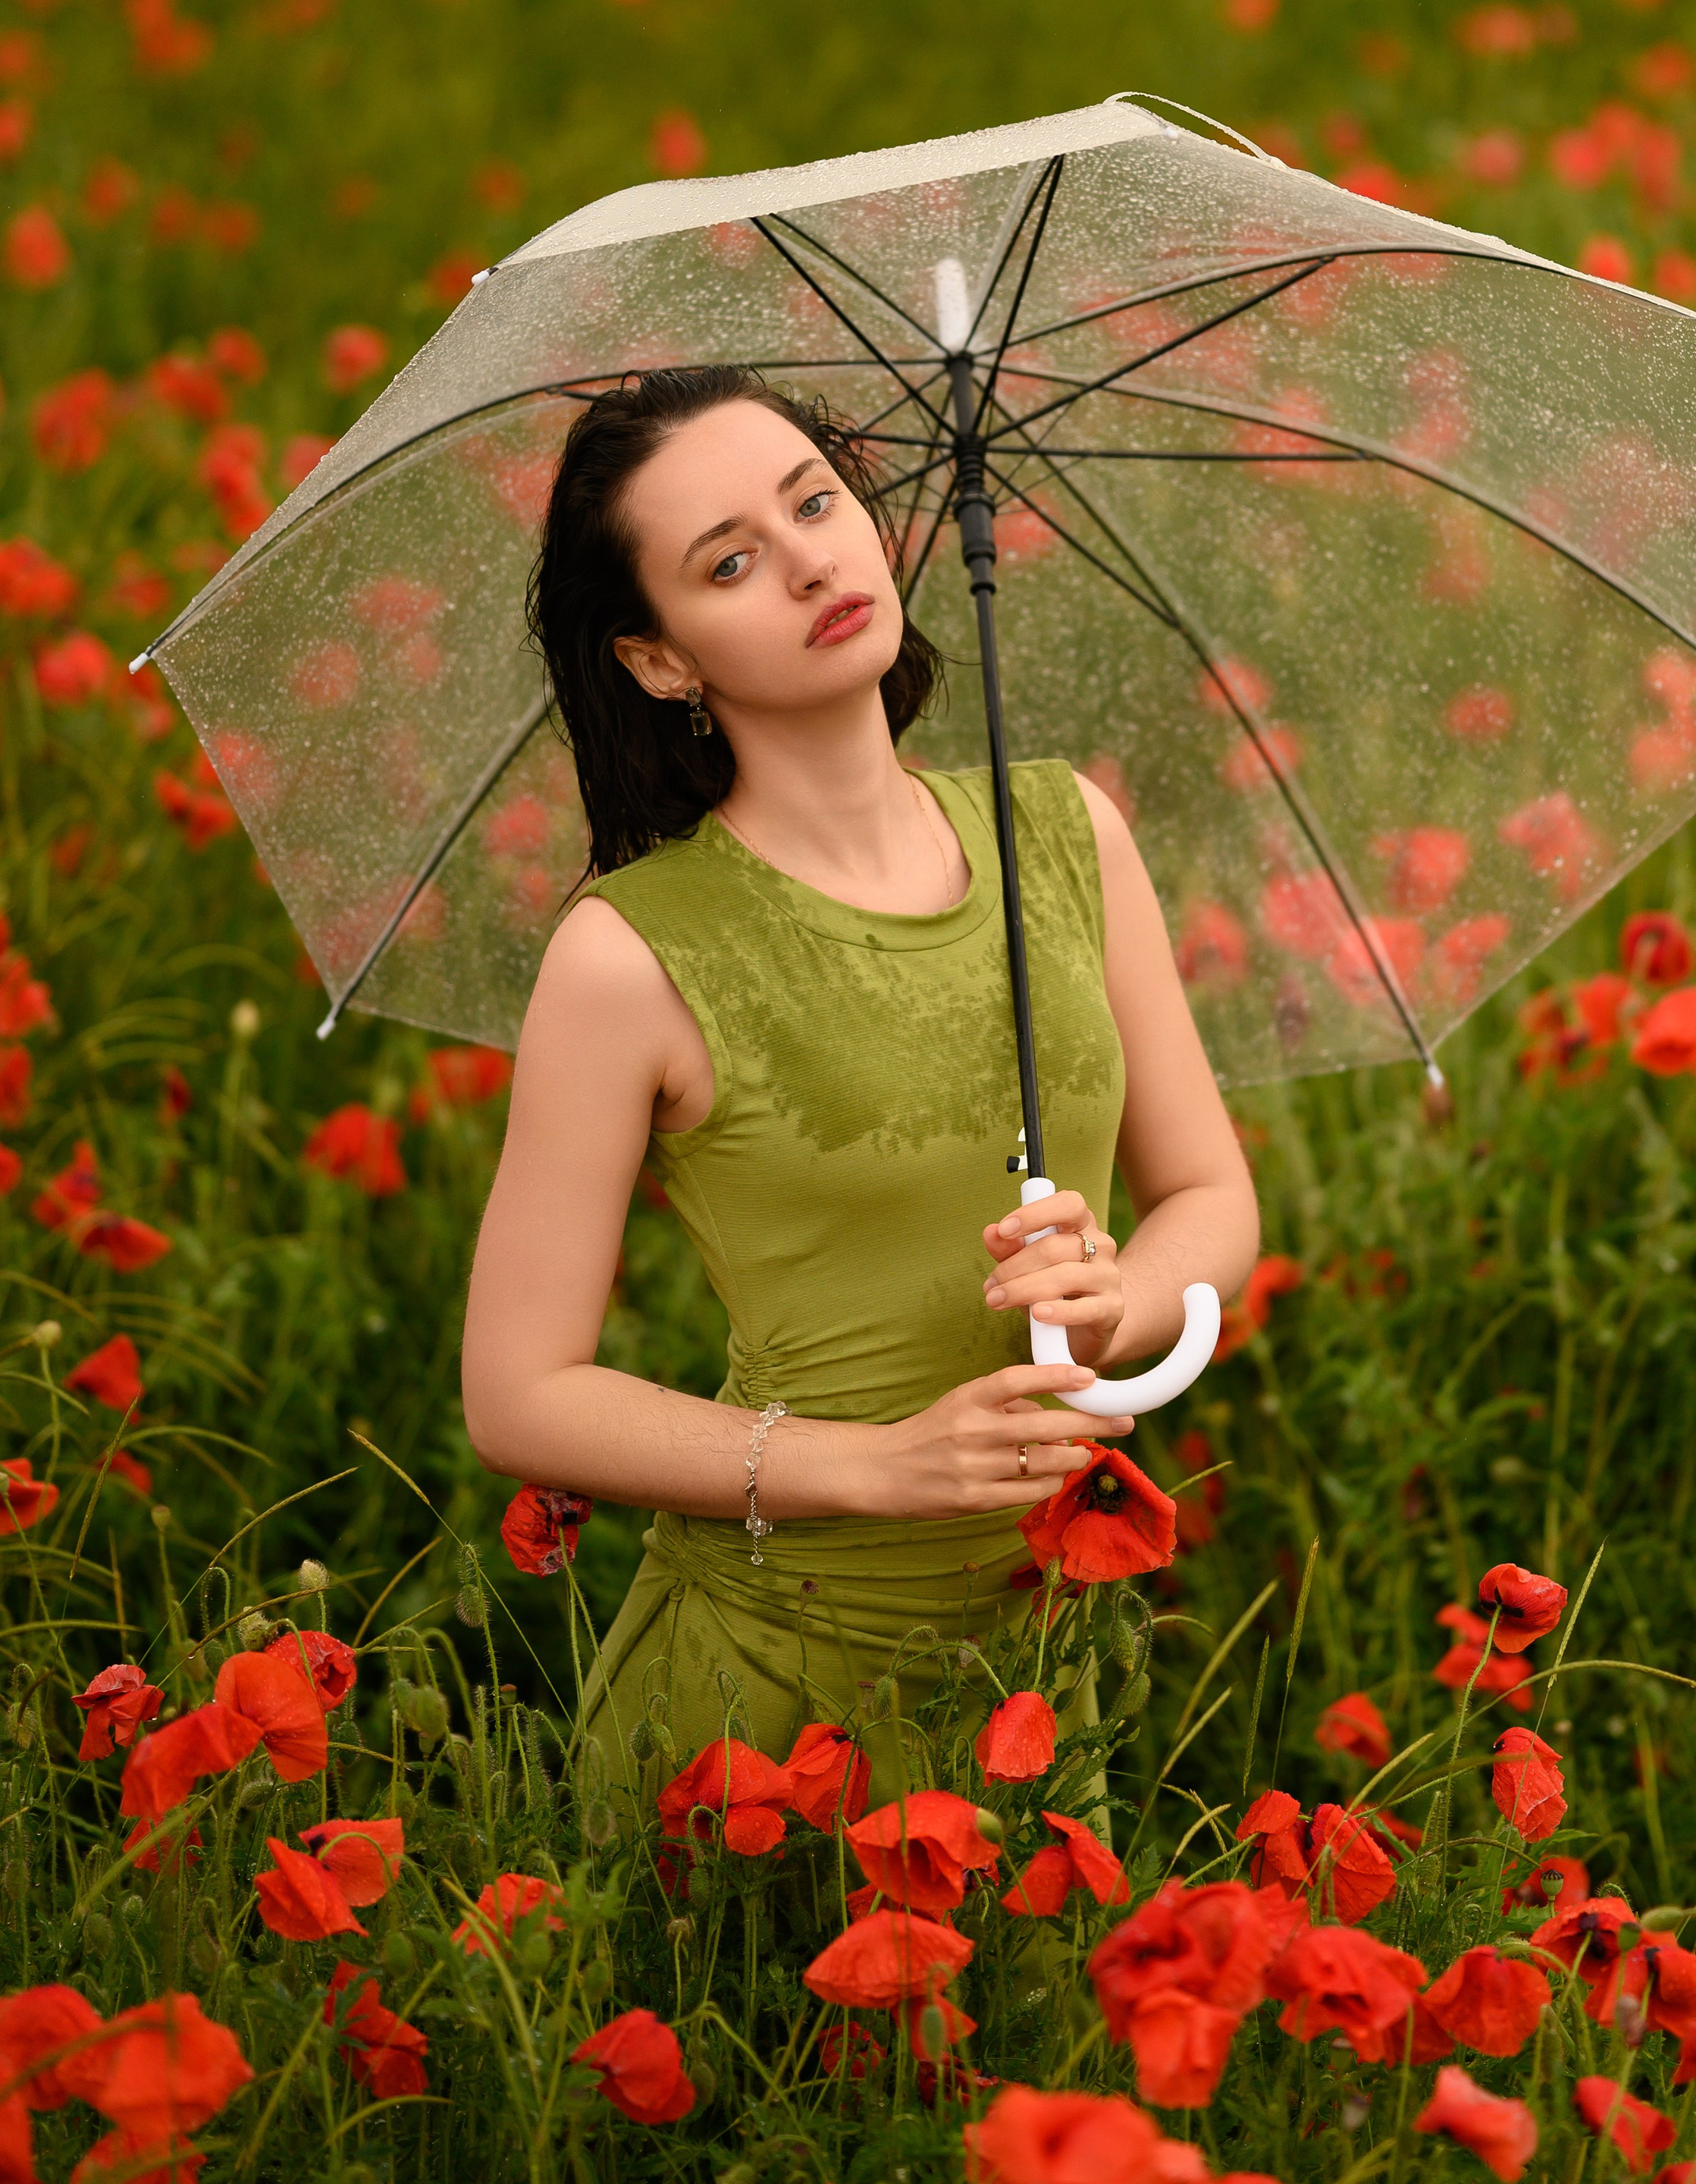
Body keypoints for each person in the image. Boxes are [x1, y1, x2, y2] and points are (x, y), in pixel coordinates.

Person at [461, 363, 1259, 1794]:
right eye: (731, 561)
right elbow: (519, 1395)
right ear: (659, 659)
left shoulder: (1063, 832)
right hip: (769, 1702)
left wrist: (1121, 1298)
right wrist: (872, 1466)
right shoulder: (626, 955)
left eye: (816, 502)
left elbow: (1207, 1192)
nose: (812, 560)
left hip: (1040, 1678)